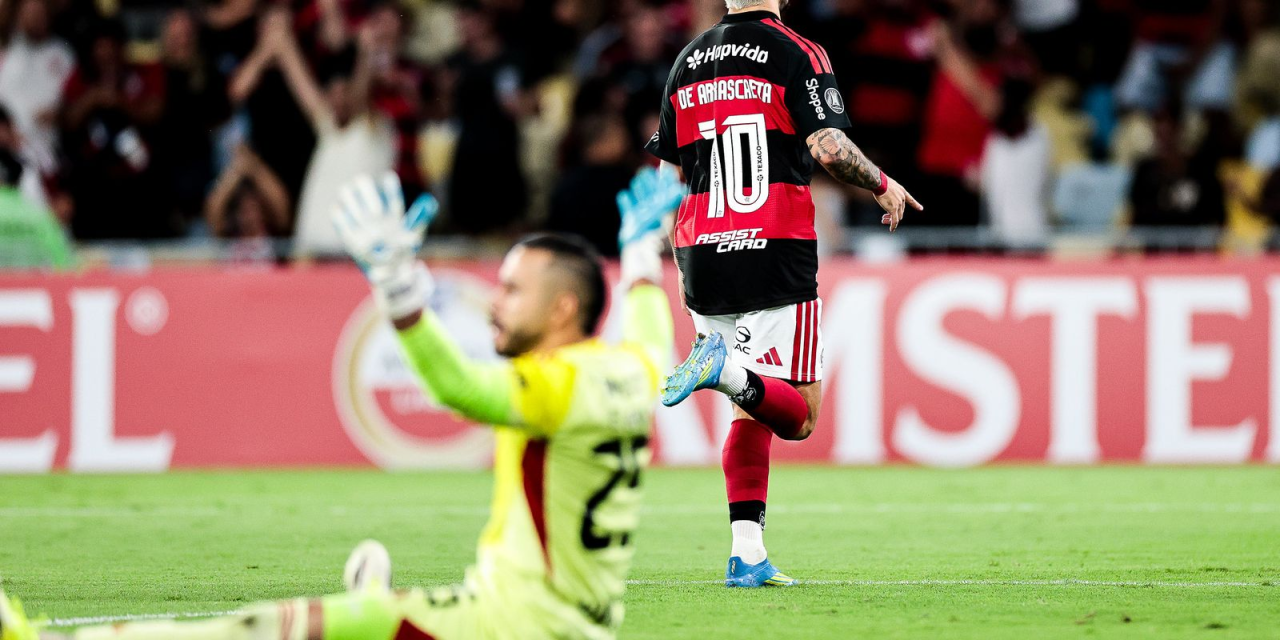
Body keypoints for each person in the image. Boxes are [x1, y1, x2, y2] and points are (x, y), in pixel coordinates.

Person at [0, 168, 677, 640]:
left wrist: (398, 291)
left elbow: (460, 389)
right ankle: (372, 600)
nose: (494, 302)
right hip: (572, 628)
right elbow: (650, 328)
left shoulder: (553, 386)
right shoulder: (629, 372)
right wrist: (641, 256)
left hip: (500, 627)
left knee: (265, 628)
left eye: (511, 290)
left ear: (562, 308)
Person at [645, 0, 920, 587]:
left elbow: (667, 179)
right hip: (772, 240)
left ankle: (747, 553)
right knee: (798, 417)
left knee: (751, 409)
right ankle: (721, 371)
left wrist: (680, 257)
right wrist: (881, 182)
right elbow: (826, 147)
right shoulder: (798, 51)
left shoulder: (687, 60)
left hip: (700, 248)